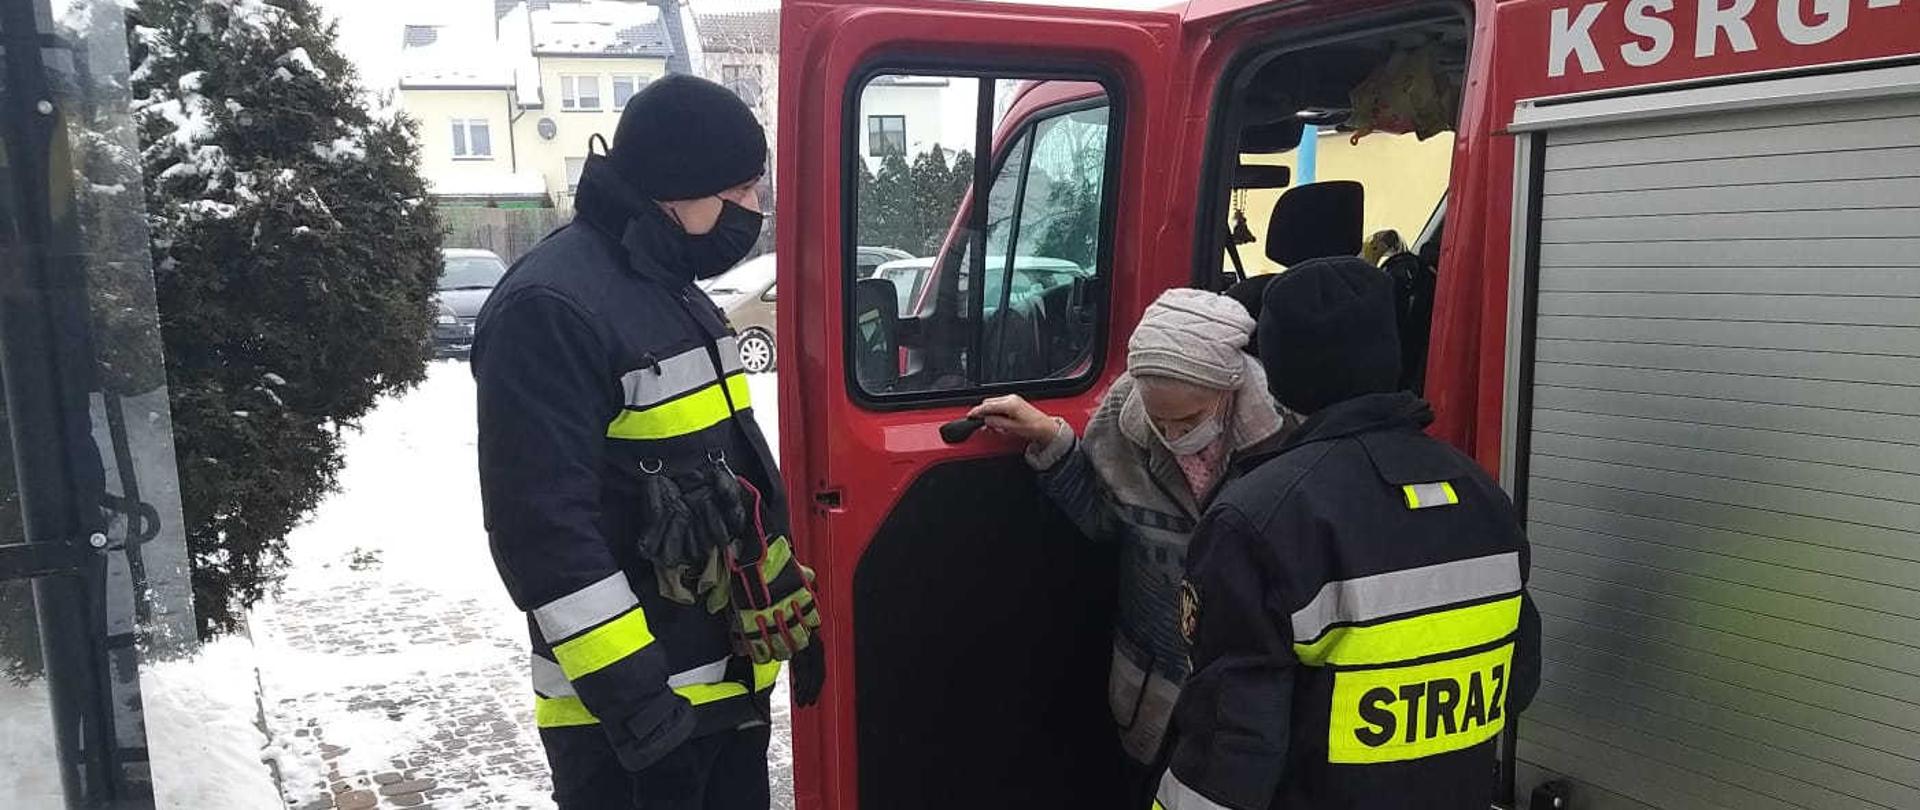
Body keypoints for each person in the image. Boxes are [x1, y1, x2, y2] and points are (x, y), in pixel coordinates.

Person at [473, 75, 824, 810]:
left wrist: (782, 598)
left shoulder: (672, 288)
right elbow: (544, 535)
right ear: (674, 187)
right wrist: (641, 712)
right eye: (739, 190)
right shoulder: (552, 308)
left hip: (721, 694)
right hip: (631, 730)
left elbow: (728, 476)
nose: (752, 212)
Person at [1158, 257, 1540, 810]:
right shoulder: (1483, 496)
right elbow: (1518, 676)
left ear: (1279, 372)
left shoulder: (1258, 518)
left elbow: (1233, 741)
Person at [968, 289, 1293, 809]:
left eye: (1187, 422)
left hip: (1245, 710)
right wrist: (1050, 439)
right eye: (1159, 421)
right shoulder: (1125, 413)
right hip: (1153, 693)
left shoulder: (1284, 434)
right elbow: (1101, 517)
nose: (1171, 435)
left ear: (1229, 391)